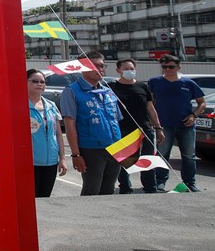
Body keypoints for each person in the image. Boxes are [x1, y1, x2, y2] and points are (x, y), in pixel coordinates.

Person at [60, 51, 122, 196]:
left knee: (109, 190)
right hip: (92, 150)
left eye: (102, 66)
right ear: (81, 67)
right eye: (94, 66)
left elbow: (117, 120)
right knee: (91, 191)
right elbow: (70, 125)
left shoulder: (107, 91)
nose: (99, 70)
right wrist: (76, 155)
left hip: (115, 148)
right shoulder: (72, 91)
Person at [148, 55, 206, 193]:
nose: (168, 69)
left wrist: (194, 115)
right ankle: (160, 182)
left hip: (186, 125)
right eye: (164, 67)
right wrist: (154, 123)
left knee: (188, 156)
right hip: (164, 125)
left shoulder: (188, 83)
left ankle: (189, 183)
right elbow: (149, 103)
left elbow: (201, 103)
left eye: (171, 67)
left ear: (178, 67)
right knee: (162, 154)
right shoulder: (154, 82)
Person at [110, 58, 164, 194]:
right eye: (126, 69)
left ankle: (150, 187)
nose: (129, 71)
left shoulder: (143, 86)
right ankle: (125, 186)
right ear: (118, 71)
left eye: (132, 69)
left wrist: (158, 128)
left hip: (144, 128)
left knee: (148, 159)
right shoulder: (111, 87)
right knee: (125, 161)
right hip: (122, 129)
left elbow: (150, 109)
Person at [27, 69, 66, 197]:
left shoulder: (51, 105)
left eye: (42, 82)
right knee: (31, 199)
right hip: (29, 163)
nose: (40, 84)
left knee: (45, 198)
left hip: (51, 162)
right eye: (35, 81)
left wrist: (62, 159)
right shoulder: (19, 105)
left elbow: (58, 134)